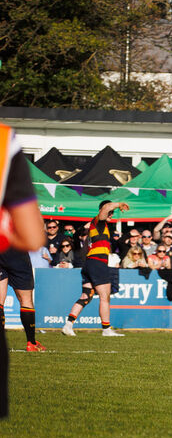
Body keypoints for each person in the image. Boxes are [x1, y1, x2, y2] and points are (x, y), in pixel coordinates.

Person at [0, 123, 47, 417]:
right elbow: (33, 236)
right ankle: (31, 342)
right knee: (26, 301)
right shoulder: (5, 140)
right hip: (11, 248)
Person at [61, 200, 129, 337]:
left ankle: (68, 325)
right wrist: (119, 204)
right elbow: (105, 207)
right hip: (97, 263)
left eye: (112, 213)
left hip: (89, 263)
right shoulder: (98, 222)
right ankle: (106, 329)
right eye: (110, 212)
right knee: (105, 297)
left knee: (86, 296)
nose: (111, 214)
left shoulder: (99, 226)